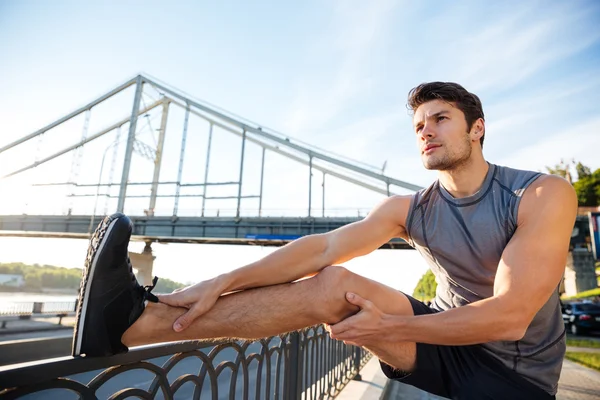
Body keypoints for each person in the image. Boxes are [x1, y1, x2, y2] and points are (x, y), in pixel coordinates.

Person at [71, 82, 577, 399]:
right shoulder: (411, 208)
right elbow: (322, 250)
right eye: (419, 125)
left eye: (440, 118)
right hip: (441, 342)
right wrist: (221, 281)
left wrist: (393, 324)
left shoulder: (538, 193)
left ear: (478, 128)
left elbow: (511, 316)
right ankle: (136, 323)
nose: (426, 131)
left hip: (514, 377)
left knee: (353, 294)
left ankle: (133, 321)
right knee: (332, 282)